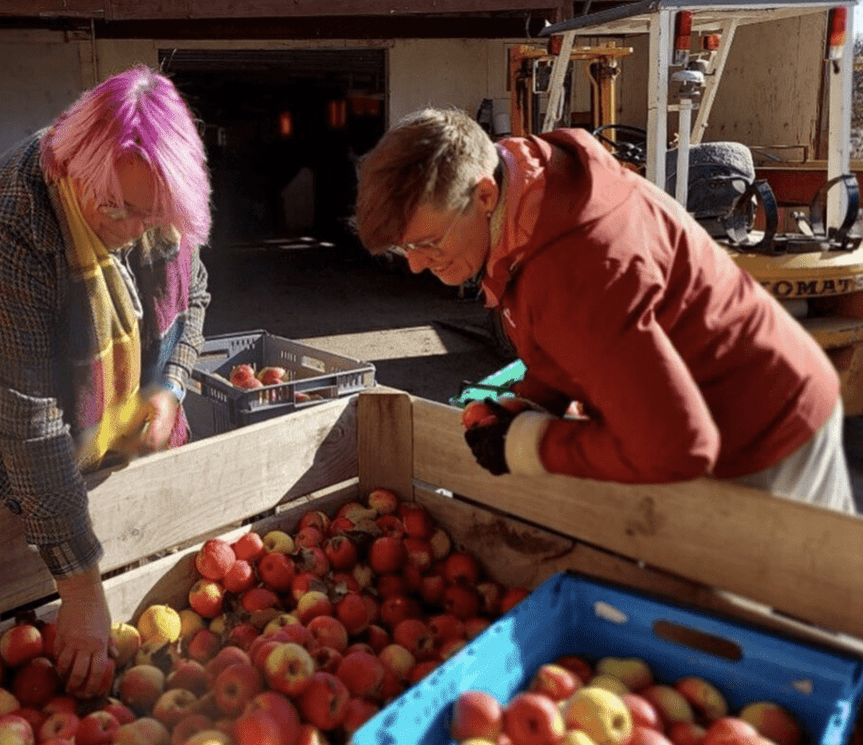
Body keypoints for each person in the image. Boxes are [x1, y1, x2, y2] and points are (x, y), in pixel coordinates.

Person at [0, 65, 213, 695]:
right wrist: (82, 583)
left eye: (148, 216)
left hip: (91, 445)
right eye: (115, 208)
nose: (131, 227)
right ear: (71, 169)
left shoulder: (157, 196)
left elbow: (194, 293)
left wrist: (170, 384)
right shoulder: (6, 217)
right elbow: (27, 420)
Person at [353, 106, 856, 514]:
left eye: (427, 243)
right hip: (717, 398)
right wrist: (535, 402)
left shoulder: (581, 268)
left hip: (771, 424)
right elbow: (570, 333)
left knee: (785, 618)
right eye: (405, 249)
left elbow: (677, 448)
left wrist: (531, 445)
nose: (417, 266)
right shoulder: (530, 190)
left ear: (484, 195)